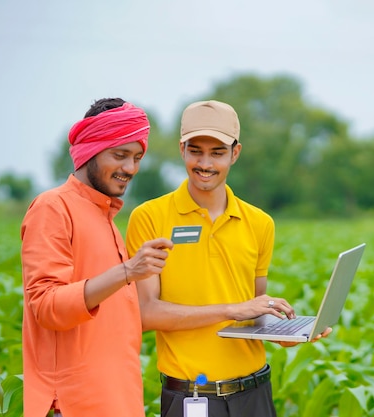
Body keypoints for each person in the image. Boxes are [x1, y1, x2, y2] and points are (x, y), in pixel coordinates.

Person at [125, 100, 331, 417]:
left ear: (235, 153)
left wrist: (284, 331)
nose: (205, 163)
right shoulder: (149, 217)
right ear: (182, 149)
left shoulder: (260, 222)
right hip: (192, 397)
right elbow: (146, 313)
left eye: (217, 152)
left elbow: (254, 307)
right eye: (196, 150)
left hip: (255, 394)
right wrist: (231, 310)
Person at [21, 98, 174, 417]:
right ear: (90, 150)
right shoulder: (53, 208)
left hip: (119, 402)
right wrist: (127, 271)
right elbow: (47, 307)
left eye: (136, 158)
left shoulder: (105, 217)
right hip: (75, 406)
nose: (130, 169)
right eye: (119, 155)